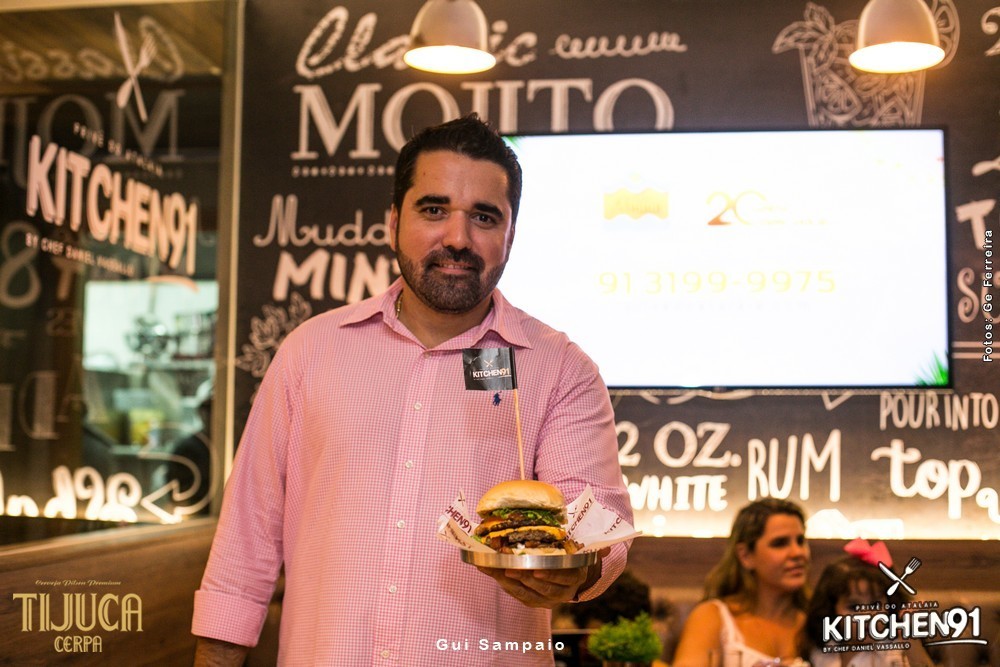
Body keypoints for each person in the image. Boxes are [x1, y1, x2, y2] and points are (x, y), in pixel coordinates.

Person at [191, 113, 633, 665]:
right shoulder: (310, 352)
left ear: (511, 235)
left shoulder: (562, 369)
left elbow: (597, 519)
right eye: (434, 210)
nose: (458, 238)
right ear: (393, 221)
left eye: (484, 217)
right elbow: (244, 546)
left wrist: (577, 568)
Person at [672, 499, 811, 667]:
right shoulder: (714, 617)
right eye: (780, 543)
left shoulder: (820, 622)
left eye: (801, 541)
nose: (797, 553)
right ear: (745, 555)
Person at [803, 539, 934, 667]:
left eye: (875, 605)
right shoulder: (823, 650)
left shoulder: (894, 651)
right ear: (831, 609)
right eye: (854, 607)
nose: (867, 615)